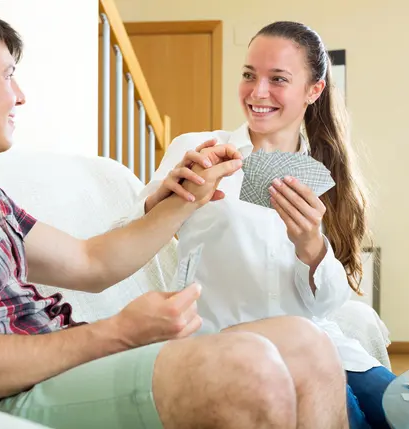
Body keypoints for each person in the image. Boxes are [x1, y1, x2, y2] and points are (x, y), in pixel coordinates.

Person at [0, 2, 349, 428]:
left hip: (58, 367)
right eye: (8, 76)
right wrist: (120, 331)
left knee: (308, 345)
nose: (20, 95)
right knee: (249, 367)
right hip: (10, 395)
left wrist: (187, 195)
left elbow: (88, 261)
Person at [139, 21, 395, 429]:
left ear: (314, 90)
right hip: (233, 342)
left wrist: (310, 245)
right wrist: (165, 201)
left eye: (278, 79)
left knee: (406, 409)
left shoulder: (324, 175)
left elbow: (327, 304)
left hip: (321, 343)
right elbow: (138, 234)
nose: (257, 92)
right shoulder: (198, 149)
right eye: (248, 75)